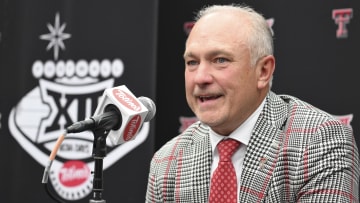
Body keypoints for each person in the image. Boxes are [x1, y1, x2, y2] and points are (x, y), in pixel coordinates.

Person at [146, 3, 359, 203]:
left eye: (220, 60)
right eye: (192, 62)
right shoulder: (167, 162)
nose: (200, 77)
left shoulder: (320, 141)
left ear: (263, 71)